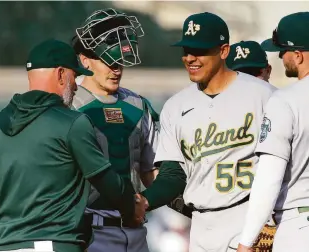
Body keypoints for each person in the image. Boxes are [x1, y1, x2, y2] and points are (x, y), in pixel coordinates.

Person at [0, 39, 147, 252]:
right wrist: (132, 207)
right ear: (60, 74)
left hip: (7, 246)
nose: (75, 85)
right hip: (56, 244)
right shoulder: (72, 123)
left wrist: (21, 224)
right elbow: (107, 182)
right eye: (74, 76)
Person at [140, 12, 276, 252]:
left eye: (200, 50)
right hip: (201, 225)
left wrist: (274, 217)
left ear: (224, 51)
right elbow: (173, 175)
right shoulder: (176, 106)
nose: (190, 58)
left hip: (248, 218)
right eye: (186, 50)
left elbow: (286, 165)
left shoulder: (263, 96)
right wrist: (145, 201)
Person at [71, 8, 159, 252]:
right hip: (88, 232)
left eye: (120, 61)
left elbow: (150, 172)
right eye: (108, 61)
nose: (116, 69)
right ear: (84, 59)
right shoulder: (68, 106)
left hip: (137, 231)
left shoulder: (137, 105)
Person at [237, 11, 309, 252]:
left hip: (300, 225)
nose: (280, 56)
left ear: (298, 56)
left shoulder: (285, 101)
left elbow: (269, 178)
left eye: (283, 51)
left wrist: (246, 241)